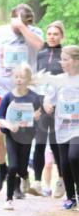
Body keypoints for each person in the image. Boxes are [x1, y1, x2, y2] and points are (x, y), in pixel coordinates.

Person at [0, 3, 44, 196]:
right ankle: (2, 169)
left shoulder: (34, 33)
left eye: (23, 23)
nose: (17, 27)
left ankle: (15, 179)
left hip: (25, 95)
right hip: (1, 92)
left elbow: (41, 46)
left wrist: (24, 28)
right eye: (15, 22)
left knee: (20, 139)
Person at [0, 63, 44, 210]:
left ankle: (25, 176)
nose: (19, 80)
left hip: (27, 136)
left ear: (28, 79)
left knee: (22, 168)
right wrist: (10, 126)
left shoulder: (34, 97)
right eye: (16, 77)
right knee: (13, 167)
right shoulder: (8, 97)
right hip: (12, 135)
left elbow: (40, 115)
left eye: (22, 77)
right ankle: (8, 199)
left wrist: (36, 117)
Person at [43, 45, 79, 210]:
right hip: (62, 127)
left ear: (76, 61)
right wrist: (47, 104)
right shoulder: (58, 80)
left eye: (65, 59)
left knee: (74, 156)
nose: (62, 62)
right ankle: (71, 197)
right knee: (64, 163)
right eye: (61, 59)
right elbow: (47, 99)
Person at [32, 20, 66, 196]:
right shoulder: (41, 53)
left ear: (61, 36)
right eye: (50, 34)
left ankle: (61, 179)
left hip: (57, 105)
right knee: (39, 143)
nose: (52, 37)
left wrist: (53, 100)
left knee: (55, 144)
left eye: (55, 34)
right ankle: (37, 182)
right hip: (40, 103)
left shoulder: (66, 55)